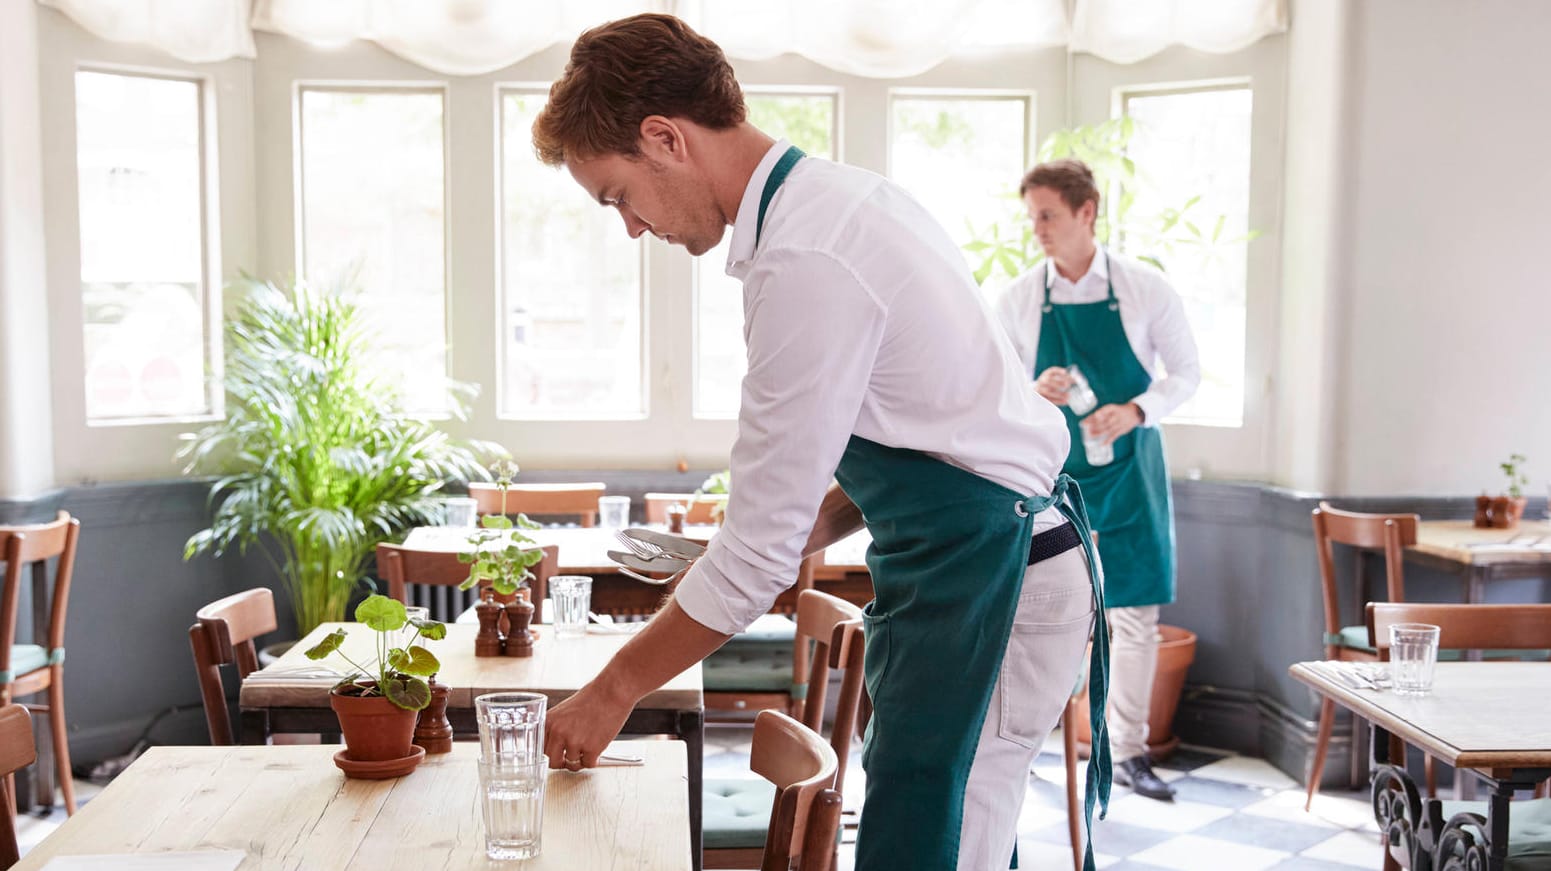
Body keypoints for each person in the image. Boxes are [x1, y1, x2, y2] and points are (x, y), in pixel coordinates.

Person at [529, 14, 1112, 871]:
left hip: (997, 578)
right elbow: (932, 433)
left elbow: (760, 556)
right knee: (938, 826)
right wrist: (809, 525)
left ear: (663, 138)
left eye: (617, 195)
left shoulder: (805, 256)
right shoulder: (838, 202)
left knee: (942, 843)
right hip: (985, 563)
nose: (629, 225)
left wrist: (609, 692)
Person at [994, 158, 1201, 802]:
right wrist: (1034, 389)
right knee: (1045, 611)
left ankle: (1130, 752)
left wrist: (1137, 410)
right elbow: (993, 390)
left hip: (1132, 471)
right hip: (1054, 478)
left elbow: (1187, 374)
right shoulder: (1020, 298)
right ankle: (1028, 746)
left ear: (1088, 213)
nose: (1038, 230)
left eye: (1048, 215)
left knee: (1134, 617)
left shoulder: (1145, 289)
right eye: (1032, 217)